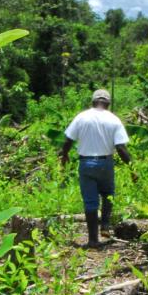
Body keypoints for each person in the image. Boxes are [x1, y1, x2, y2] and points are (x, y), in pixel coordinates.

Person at [60, 89, 131, 248]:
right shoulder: (114, 120)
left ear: (93, 102)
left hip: (86, 163)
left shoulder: (81, 117)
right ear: (108, 103)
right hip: (105, 163)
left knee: (90, 202)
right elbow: (121, 148)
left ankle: (93, 240)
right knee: (108, 194)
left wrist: (64, 156)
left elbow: (68, 140)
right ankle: (105, 225)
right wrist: (132, 168)